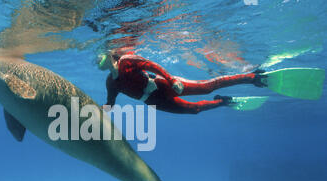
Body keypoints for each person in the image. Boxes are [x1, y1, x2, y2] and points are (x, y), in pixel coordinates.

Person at [97, 51, 266, 114]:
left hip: (164, 85)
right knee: (195, 110)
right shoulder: (110, 82)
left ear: (111, 57)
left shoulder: (127, 60)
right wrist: (96, 111)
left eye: (104, 59)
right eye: (99, 63)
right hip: (155, 102)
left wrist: (171, 80)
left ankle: (252, 77)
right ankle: (222, 102)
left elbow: (153, 67)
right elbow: (110, 103)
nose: (102, 63)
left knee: (207, 87)